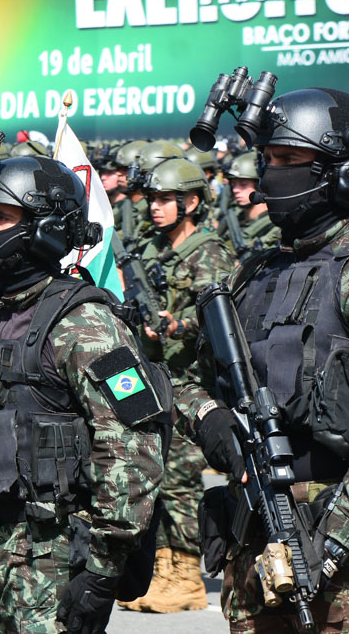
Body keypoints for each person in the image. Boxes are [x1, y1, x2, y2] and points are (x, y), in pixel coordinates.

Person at [182, 87, 349, 633]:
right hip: (254, 542)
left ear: (342, 173)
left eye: (291, 161)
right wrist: (209, 418)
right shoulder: (252, 274)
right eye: (270, 160)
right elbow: (184, 381)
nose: (274, 175)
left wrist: (328, 540)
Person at [0, 154, 165, 633]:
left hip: (53, 554)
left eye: (1, 217)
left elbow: (133, 449)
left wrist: (103, 569)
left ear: (45, 229)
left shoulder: (86, 323)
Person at [119, 156, 234, 614]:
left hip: (196, 383)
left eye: (166, 199)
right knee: (161, 479)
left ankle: (186, 574)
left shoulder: (209, 250)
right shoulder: (153, 250)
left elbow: (221, 316)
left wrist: (175, 325)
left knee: (183, 479)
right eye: (152, 199)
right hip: (158, 381)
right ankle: (164, 567)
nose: (155, 208)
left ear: (191, 202)